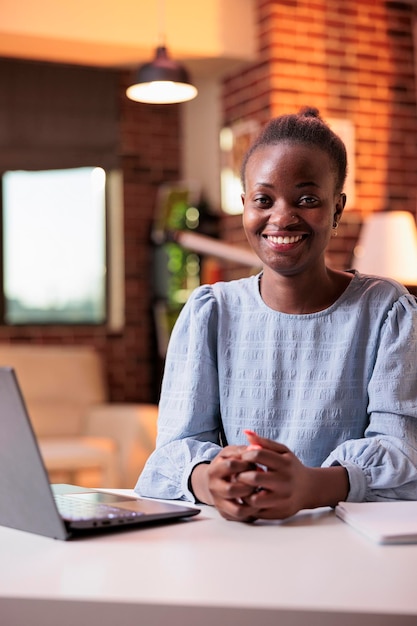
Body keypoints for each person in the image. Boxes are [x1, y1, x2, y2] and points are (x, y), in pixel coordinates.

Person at [136, 107, 417, 522]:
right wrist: (211, 480)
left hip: (347, 542)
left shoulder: (387, 310)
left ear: (337, 209)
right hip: (237, 537)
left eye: (307, 199)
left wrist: (310, 486)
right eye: (264, 200)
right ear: (245, 205)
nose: (282, 217)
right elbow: (174, 453)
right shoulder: (210, 313)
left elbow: (403, 453)